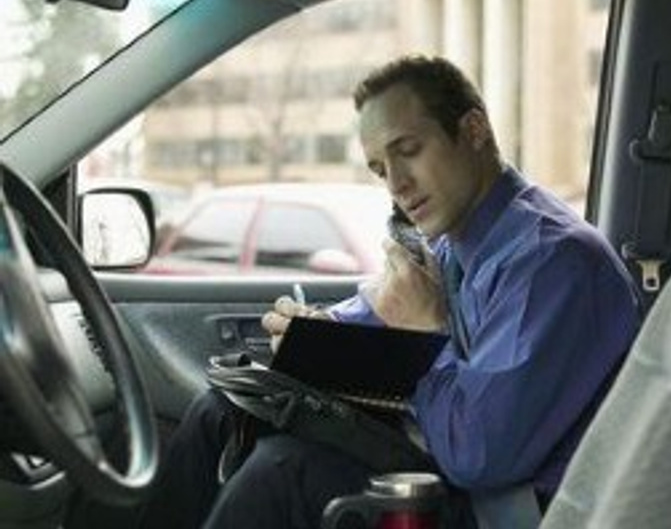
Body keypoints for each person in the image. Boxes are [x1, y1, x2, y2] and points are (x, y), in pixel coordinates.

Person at [137, 55, 641, 529]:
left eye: (408, 150)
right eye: (380, 168)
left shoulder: (554, 263)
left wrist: (425, 329)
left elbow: (478, 456)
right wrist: (320, 329)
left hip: (505, 507)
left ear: (473, 130)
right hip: (444, 454)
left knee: (283, 472)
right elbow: (379, 310)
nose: (396, 183)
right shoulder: (455, 241)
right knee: (224, 413)